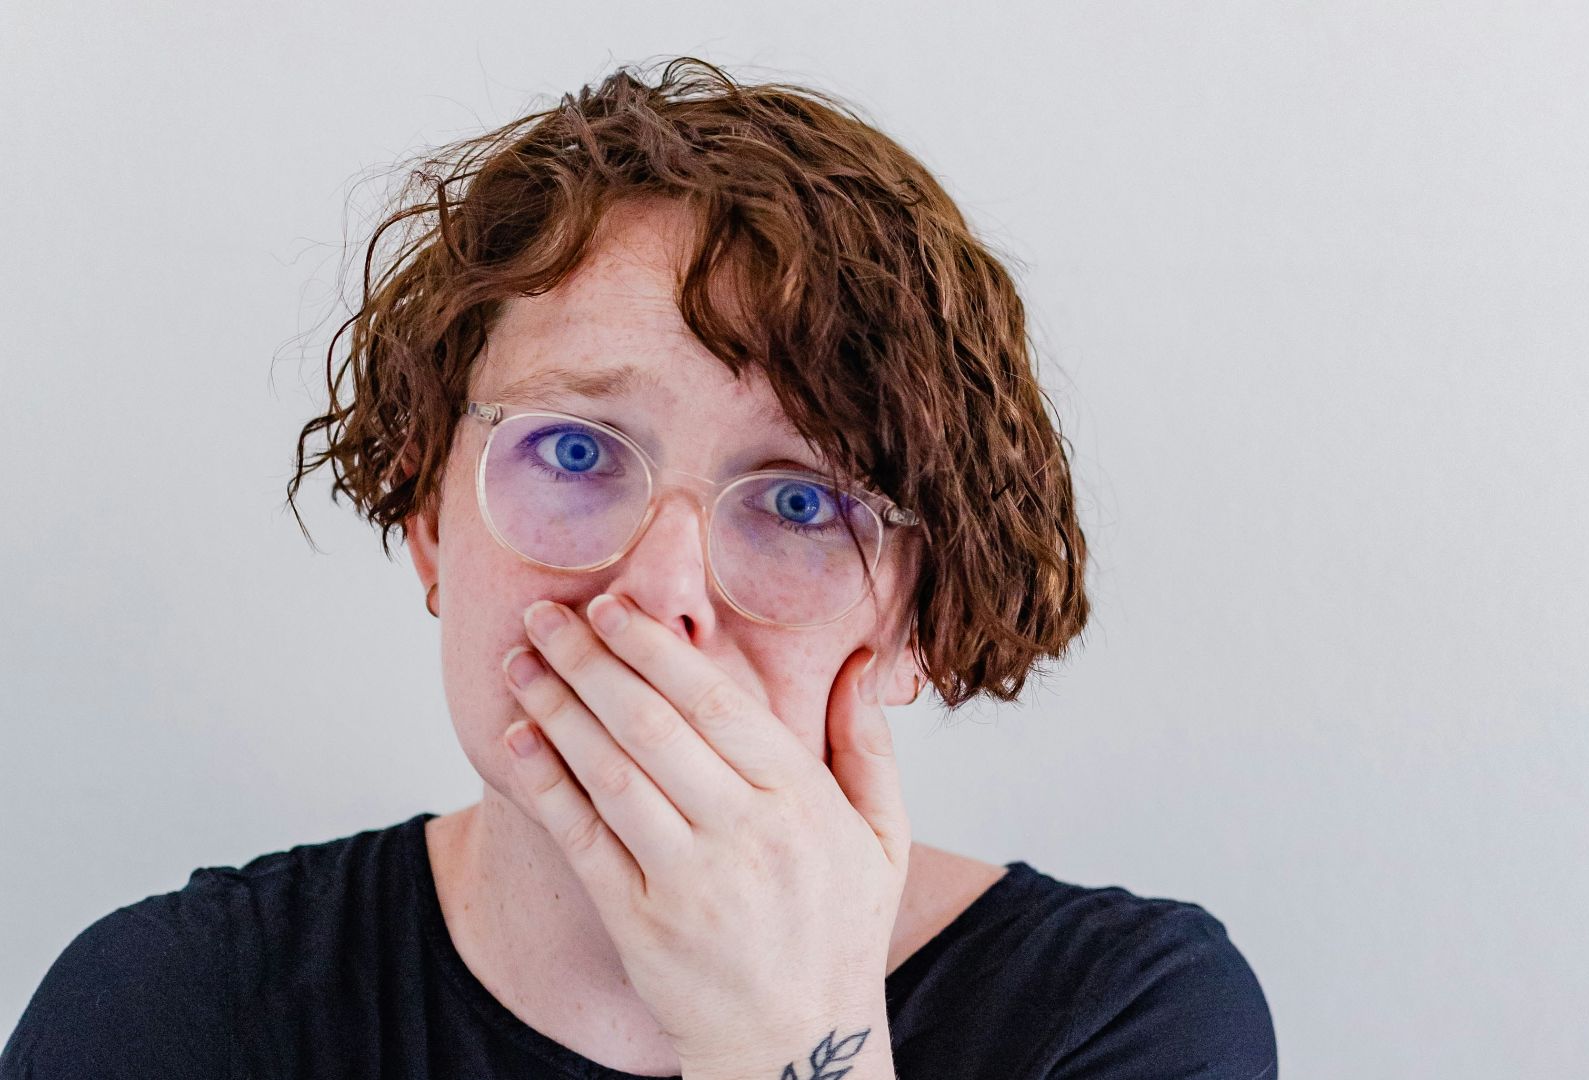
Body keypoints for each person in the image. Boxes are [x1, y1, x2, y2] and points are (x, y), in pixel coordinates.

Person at [2, 58, 1277, 1079]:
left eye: (798, 501)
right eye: (573, 450)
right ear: (430, 517)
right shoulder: (170, 1013)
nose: (658, 592)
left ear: (914, 623)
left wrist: (788, 1036)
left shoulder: (1122, 1019)